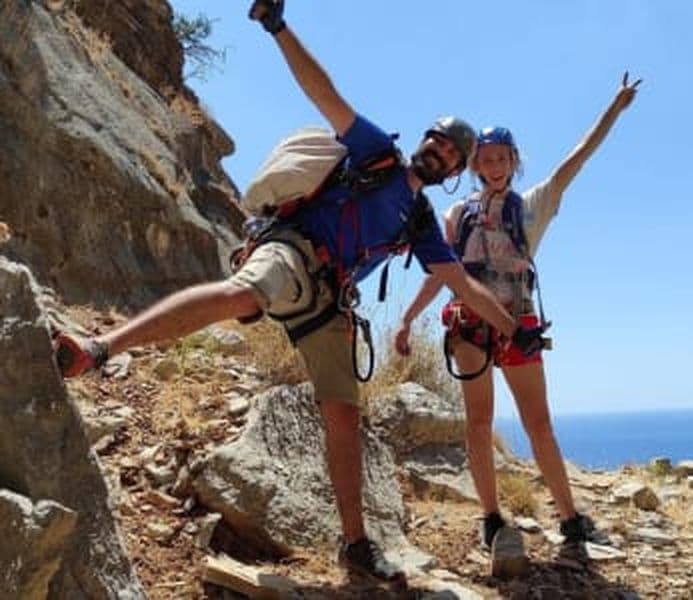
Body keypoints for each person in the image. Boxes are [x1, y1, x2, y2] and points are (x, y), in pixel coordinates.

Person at [52, 0, 548, 585]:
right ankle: (100, 348)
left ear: (455, 170)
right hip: (293, 249)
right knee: (245, 293)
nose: (439, 153)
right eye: (437, 142)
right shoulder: (375, 155)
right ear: (424, 140)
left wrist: (512, 328)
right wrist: (277, 27)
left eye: (450, 155)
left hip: (330, 298)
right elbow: (324, 93)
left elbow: (461, 281)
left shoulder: (417, 218)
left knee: (343, 413)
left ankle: (356, 544)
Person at [394, 73, 641, 553]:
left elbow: (579, 157)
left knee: (538, 424)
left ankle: (570, 517)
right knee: (478, 423)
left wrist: (614, 108)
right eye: (485, 160)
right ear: (473, 166)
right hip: (468, 327)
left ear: (514, 161)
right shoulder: (456, 215)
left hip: (518, 327)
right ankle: (490, 517)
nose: (494, 166)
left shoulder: (534, 205)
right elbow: (444, 271)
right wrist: (407, 317)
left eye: (502, 159)